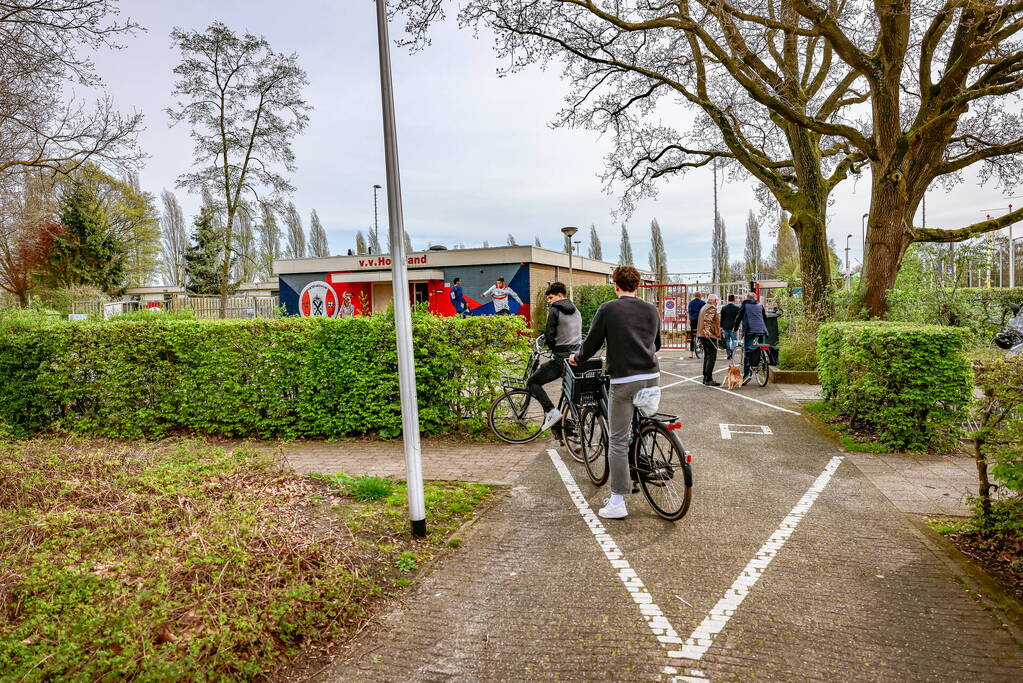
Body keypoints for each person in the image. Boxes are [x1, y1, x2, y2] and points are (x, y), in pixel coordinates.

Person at [570, 265, 661, 520]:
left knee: (618, 440)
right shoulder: (651, 309)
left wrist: (578, 358)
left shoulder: (608, 308)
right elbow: (658, 344)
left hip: (625, 379)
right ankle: (644, 454)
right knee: (641, 421)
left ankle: (618, 501)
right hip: (652, 376)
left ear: (615, 285)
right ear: (638, 285)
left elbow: (593, 342)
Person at [526, 282, 583, 432]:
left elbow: (549, 335)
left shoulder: (555, 310)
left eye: (551, 298)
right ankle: (568, 428)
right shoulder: (576, 310)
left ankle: (551, 412)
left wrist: (551, 347)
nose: (549, 301)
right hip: (576, 357)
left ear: (559, 296)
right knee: (569, 391)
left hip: (561, 358)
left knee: (532, 382)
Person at [736, 291, 769, 384]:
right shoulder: (760, 305)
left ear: (747, 298)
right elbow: (765, 318)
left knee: (748, 351)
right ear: (755, 298)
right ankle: (762, 363)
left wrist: (735, 328)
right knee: (761, 347)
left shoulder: (745, 305)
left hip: (750, 330)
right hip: (762, 330)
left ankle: (746, 375)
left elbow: (739, 317)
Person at [696, 293, 722, 386]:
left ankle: (705, 377)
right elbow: (708, 320)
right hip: (709, 335)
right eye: (717, 300)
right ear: (714, 301)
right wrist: (707, 331)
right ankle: (708, 378)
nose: (717, 302)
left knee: (707, 356)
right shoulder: (711, 308)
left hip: (702, 335)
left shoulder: (704, 307)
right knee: (712, 357)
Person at [720, 294, 741, 360]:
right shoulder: (737, 308)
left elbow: (722, 318)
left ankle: (728, 354)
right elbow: (738, 318)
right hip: (733, 327)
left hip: (725, 326)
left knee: (727, 341)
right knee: (734, 340)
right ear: (734, 299)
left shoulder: (724, 308)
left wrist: (721, 326)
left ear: (728, 300)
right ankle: (733, 351)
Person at [687, 292, 705, 359]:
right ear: (700, 296)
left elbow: (689, 311)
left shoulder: (691, 303)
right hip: (700, 320)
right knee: (701, 335)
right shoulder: (702, 303)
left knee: (692, 336)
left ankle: (691, 353)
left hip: (693, 321)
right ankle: (701, 347)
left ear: (695, 296)